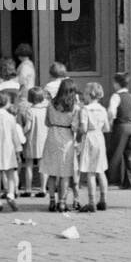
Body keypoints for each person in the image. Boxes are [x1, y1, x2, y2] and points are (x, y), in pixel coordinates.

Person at [40, 77, 81, 213]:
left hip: (52, 136)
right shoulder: (74, 107)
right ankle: (62, 202)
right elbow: (75, 127)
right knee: (65, 173)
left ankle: (52, 200)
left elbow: (47, 122)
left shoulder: (51, 104)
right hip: (66, 138)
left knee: (52, 172)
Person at [76, 82, 111, 212]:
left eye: (85, 94)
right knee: (100, 170)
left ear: (89, 95)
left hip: (90, 138)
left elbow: (84, 128)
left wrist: (78, 129)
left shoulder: (85, 109)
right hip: (99, 137)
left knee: (91, 171)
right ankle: (103, 200)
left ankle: (91, 202)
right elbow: (107, 128)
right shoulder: (103, 109)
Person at [106, 72, 131, 190]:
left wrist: (110, 123)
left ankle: (110, 180)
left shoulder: (116, 97)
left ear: (116, 84)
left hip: (120, 126)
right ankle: (130, 182)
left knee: (115, 153)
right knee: (130, 154)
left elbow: (111, 112)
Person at [20, 87, 49, 199]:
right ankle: (43, 188)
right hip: (44, 139)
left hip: (32, 139)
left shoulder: (30, 111)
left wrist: (21, 133)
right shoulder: (46, 110)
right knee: (43, 165)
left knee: (28, 165)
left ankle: (28, 189)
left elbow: (28, 127)